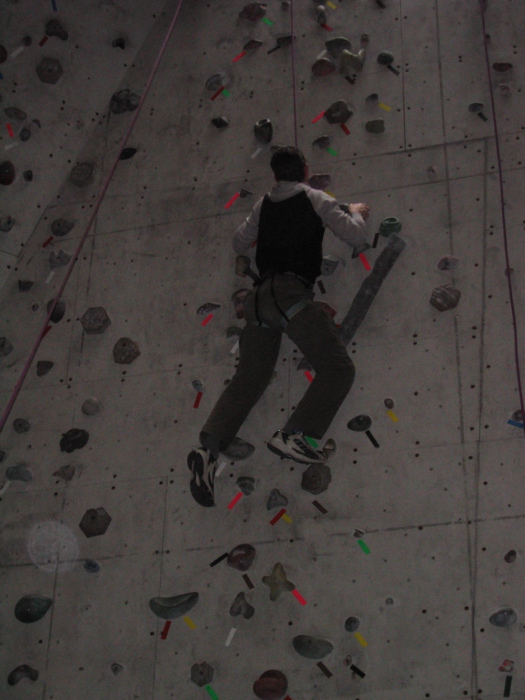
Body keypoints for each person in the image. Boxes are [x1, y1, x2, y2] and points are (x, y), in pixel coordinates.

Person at [188, 146, 369, 507]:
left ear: (274, 176)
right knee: (337, 368)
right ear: (304, 170)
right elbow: (357, 238)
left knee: (250, 378)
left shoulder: (263, 205)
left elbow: (238, 241)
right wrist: (357, 213)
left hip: (258, 300)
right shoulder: (317, 197)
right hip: (291, 295)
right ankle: (296, 434)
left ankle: (208, 450)